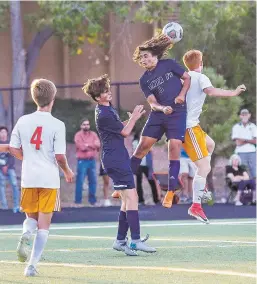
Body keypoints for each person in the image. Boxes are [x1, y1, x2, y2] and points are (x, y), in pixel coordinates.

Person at [82, 74, 156, 256]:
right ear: (97, 97)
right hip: (115, 159)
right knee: (132, 198)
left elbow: (118, 127)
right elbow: (124, 132)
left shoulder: (106, 109)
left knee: (127, 200)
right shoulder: (104, 112)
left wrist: (130, 120)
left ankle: (120, 240)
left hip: (117, 157)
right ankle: (135, 240)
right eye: (104, 92)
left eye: (107, 89)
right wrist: (135, 117)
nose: (108, 93)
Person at [9, 78, 74, 277]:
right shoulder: (57, 124)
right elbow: (60, 156)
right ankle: (31, 265)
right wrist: (67, 171)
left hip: (28, 178)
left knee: (31, 218)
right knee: (44, 225)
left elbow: (12, 148)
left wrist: (26, 157)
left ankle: (26, 232)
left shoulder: (23, 120)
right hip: (48, 180)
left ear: (34, 98)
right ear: (53, 98)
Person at [182, 49, 246, 223]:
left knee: (210, 144)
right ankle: (196, 206)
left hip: (192, 126)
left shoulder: (184, 76)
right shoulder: (200, 77)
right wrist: (233, 93)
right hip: (189, 128)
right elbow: (211, 91)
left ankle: (200, 180)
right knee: (204, 168)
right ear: (200, 63)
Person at [130, 34, 191, 209]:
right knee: (142, 147)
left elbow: (187, 78)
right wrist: (162, 108)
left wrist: (181, 95)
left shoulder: (169, 64)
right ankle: (122, 184)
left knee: (174, 147)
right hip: (158, 114)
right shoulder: (144, 80)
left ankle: (171, 192)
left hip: (177, 113)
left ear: (155, 55)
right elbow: (152, 103)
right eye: (141, 57)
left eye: (146, 56)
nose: (144, 59)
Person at [74, 119, 100, 206]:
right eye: (84, 124)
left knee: (93, 181)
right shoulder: (78, 135)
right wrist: (91, 145)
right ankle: (78, 202)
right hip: (82, 161)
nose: (86, 126)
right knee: (80, 181)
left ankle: (92, 201)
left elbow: (98, 145)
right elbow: (81, 147)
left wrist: (87, 145)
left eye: (87, 124)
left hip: (92, 161)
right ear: (81, 126)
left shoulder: (93, 134)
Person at [132, 132, 159, 205]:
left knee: (152, 181)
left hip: (147, 165)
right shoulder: (135, 142)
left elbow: (151, 151)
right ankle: (141, 200)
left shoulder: (147, 141)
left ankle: (156, 199)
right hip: (139, 165)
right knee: (139, 182)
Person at [231, 109, 256, 179]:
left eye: (246, 115)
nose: (245, 116)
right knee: (243, 172)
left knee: (253, 172)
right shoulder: (236, 127)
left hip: (252, 152)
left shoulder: (253, 126)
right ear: (240, 116)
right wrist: (249, 140)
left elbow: (255, 141)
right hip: (240, 152)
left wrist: (243, 139)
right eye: (243, 115)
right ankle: (245, 188)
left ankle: (254, 188)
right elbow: (237, 143)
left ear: (249, 115)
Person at [0, 126, 20, 212]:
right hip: (0, 168)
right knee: (1, 185)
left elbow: (12, 157)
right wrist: (2, 167)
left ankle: (16, 206)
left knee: (15, 184)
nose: (3, 134)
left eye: (4, 132)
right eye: (1, 132)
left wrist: (6, 166)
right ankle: (4, 207)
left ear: (7, 134)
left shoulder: (10, 143)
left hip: (10, 167)